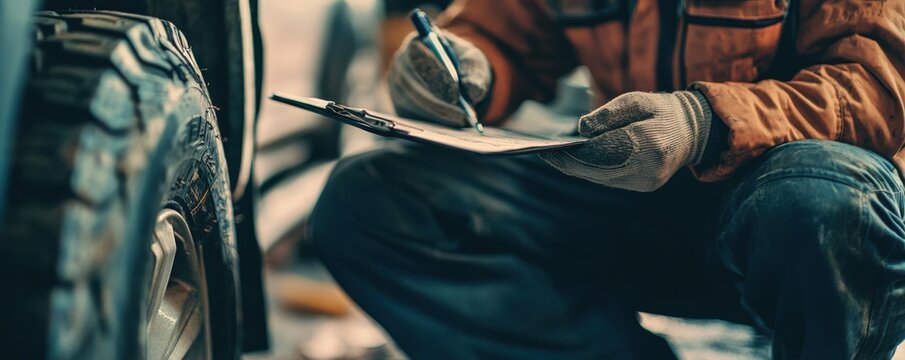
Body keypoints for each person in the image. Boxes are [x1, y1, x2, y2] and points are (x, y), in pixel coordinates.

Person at [311, 0, 905, 358]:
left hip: (789, 230)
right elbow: (505, 30)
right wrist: (469, 67)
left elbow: (881, 85)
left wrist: (707, 123)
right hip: (639, 195)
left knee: (825, 203)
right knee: (374, 202)